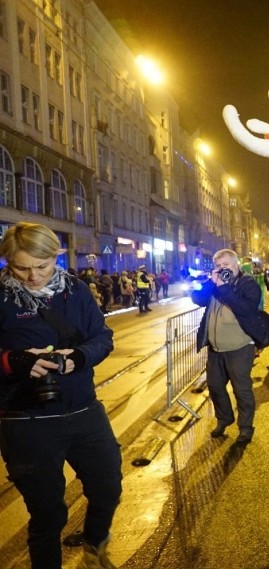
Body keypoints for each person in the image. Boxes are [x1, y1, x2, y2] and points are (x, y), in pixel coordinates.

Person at [0, 222, 121, 568]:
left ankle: (95, 548)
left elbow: (103, 337)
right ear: (8, 260)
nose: (33, 277)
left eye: (42, 266)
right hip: (26, 421)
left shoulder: (76, 290)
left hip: (84, 411)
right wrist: (13, 362)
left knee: (108, 486)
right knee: (48, 514)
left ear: (56, 256)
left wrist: (79, 358)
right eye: (21, 267)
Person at [191, 249, 263, 444]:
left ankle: (246, 428)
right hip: (216, 348)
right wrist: (209, 284)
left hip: (240, 346)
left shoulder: (248, 284)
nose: (223, 269)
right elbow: (197, 299)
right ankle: (224, 419)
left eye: (226, 265)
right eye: (219, 266)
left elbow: (246, 308)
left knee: (242, 389)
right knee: (214, 386)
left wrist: (224, 288)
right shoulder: (216, 283)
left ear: (236, 264)